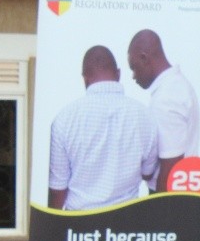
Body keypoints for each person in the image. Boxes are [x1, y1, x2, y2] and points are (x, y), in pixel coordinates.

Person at [47, 46, 158, 210]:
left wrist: (52, 227)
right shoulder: (146, 116)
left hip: (79, 229)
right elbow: (148, 173)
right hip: (127, 227)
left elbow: (58, 189)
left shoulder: (64, 119)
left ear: (85, 79)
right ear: (118, 74)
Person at [127, 28, 199, 188]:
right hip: (183, 194)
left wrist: (159, 210)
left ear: (144, 58)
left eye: (134, 67)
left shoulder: (166, 98)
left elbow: (171, 169)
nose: (133, 76)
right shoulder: (178, 84)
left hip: (169, 196)